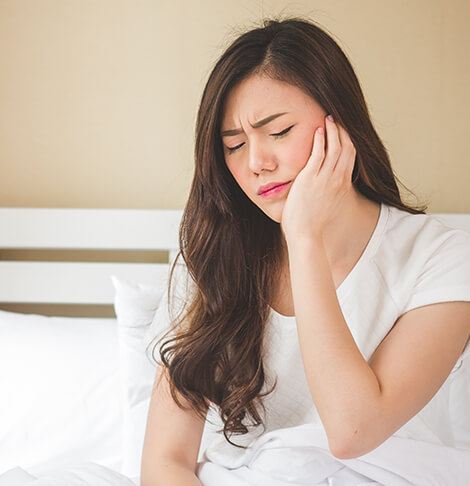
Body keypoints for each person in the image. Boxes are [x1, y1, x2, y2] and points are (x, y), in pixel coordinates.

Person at [140, 17, 470, 486]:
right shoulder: (215, 257)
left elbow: (353, 431)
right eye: (234, 145)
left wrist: (304, 238)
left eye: (278, 132)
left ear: (340, 122)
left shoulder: (443, 260)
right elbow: (165, 460)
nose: (256, 163)